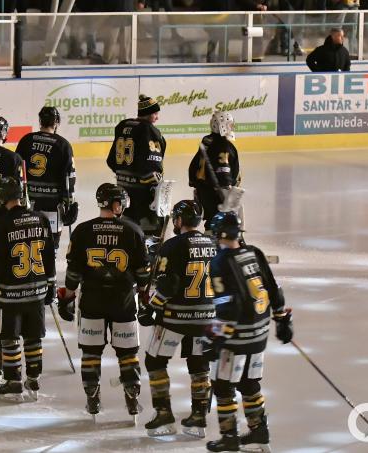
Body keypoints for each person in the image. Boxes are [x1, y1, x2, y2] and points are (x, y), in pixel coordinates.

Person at [58, 183, 151, 421]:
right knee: (128, 352)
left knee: (90, 352)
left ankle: (93, 399)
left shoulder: (82, 231)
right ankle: (132, 399)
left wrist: (67, 297)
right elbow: (142, 273)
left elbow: (73, 274)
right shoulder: (132, 230)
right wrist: (143, 293)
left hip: (92, 300)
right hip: (124, 301)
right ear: (116, 204)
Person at [205, 211, 294, 452]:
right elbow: (273, 288)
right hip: (260, 333)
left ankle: (229, 436)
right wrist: (282, 320)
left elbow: (227, 306)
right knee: (249, 382)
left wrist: (215, 336)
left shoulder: (219, 262)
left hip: (238, 336)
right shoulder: (253, 252)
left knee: (222, 384)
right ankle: (259, 432)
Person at [139, 200, 217, 438]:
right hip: (207, 318)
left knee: (155, 361)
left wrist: (152, 307)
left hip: (174, 318)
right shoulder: (215, 244)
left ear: (180, 221)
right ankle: (199, 416)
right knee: (199, 365)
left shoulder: (172, 246)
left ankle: (163, 413)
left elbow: (168, 285)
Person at [0, 177, 56, 400]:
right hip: (36, 291)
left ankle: (13, 381)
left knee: (10, 338)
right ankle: (33, 379)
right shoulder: (41, 219)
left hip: (9, 294)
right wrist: (50, 284)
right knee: (34, 337)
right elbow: (49, 256)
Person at [16, 106, 78, 250]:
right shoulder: (63, 145)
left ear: (40, 121)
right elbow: (69, 177)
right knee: (51, 246)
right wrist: (69, 203)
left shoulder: (26, 140)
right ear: (56, 122)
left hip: (28, 201)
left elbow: (17, 170)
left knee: (28, 243)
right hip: (53, 203)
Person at [107, 95, 167, 237]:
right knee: (149, 231)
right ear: (148, 113)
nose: (157, 117)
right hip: (142, 192)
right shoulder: (149, 130)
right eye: (155, 113)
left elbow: (111, 160)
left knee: (126, 227)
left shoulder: (122, 126)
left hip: (122, 187)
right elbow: (152, 167)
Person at [188, 112, 241, 233]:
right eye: (229, 124)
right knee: (220, 222)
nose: (231, 127)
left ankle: (209, 242)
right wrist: (227, 190)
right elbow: (224, 171)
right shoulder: (224, 146)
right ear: (221, 125)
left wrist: (195, 184)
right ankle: (213, 245)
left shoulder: (207, 141)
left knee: (212, 220)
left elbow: (193, 166)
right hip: (216, 193)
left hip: (204, 191)